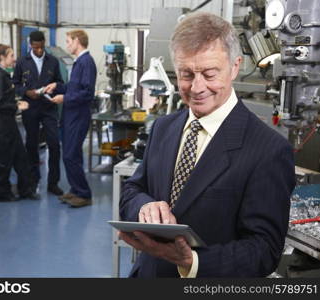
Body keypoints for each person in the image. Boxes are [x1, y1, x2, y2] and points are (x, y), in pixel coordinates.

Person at [119, 12, 295, 278]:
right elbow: (133, 189)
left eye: (210, 74)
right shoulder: (164, 128)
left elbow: (264, 250)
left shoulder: (268, 150)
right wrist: (144, 206)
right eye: (186, 74)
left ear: (235, 67)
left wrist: (193, 261)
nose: (197, 88)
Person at [44, 30, 97, 208]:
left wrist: (65, 98)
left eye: (68, 41)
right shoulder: (78, 62)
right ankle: (75, 190)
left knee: (70, 155)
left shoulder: (86, 62)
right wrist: (58, 86)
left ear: (77, 41)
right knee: (69, 155)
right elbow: (74, 87)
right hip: (70, 115)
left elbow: (87, 93)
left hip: (78, 116)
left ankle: (84, 193)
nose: (67, 45)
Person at [13, 31, 64, 196]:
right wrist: (27, 92)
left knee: (54, 145)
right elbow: (16, 83)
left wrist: (54, 86)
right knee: (31, 145)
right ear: (30, 45)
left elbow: (60, 82)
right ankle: (33, 181)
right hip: (31, 108)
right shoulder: (22, 62)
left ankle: (53, 183)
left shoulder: (53, 61)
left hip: (49, 108)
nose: (40, 50)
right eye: (36, 47)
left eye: (42, 47)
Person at [0, 43, 38, 202]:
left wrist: (15, 103)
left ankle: (25, 190)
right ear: (2, 57)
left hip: (9, 123)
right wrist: (17, 106)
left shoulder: (5, 74)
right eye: (11, 56)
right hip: (2, 125)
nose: (14, 59)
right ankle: (3, 193)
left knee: (20, 157)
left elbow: (4, 98)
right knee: (4, 160)